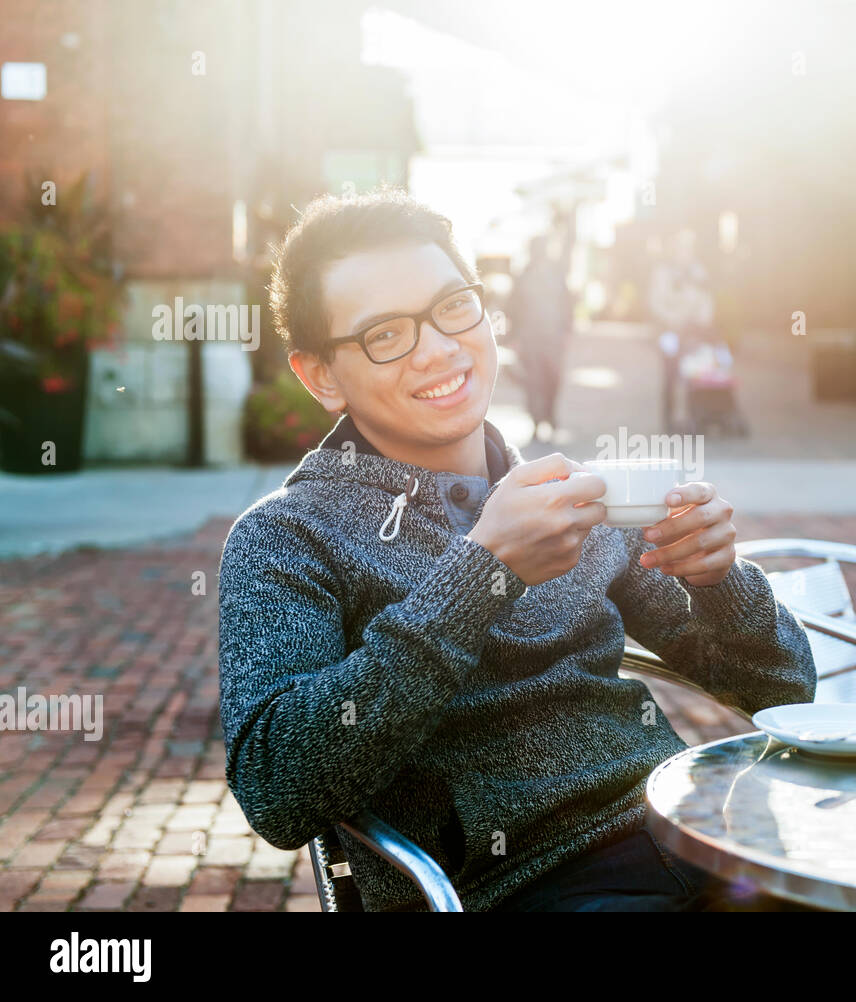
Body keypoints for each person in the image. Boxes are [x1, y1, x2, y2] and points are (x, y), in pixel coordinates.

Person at [217, 188, 818, 912]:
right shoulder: (287, 537)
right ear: (320, 375)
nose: (439, 348)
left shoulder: (572, 496)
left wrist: (721, 579)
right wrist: (481, 575)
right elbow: (278, 791)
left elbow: (783, 689)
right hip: (518, 889)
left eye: (452, 307)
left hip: (700, 842)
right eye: (385, 334)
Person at [507, 233, 573, 444]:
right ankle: (536, 422)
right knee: (534, 382)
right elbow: (513, 309)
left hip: (553, 337)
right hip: (530, 338)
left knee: (553, 378)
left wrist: (567, 331)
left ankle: (551, 416)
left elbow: (567, 304)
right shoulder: (523, 276)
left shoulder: (557, 273)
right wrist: (515, 338)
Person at [648, 228, 714, 433]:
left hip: (692, 330)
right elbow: (655, 301)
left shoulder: (699, 272)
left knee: (693, 374)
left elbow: (706, 299)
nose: (685, 252)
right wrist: (671, 319)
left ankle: (692, 420)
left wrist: (703, 321)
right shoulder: (663, 273)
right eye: (681, 248)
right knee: (670, 375)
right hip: (670, 329)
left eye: (688, 248)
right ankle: (669, 421)